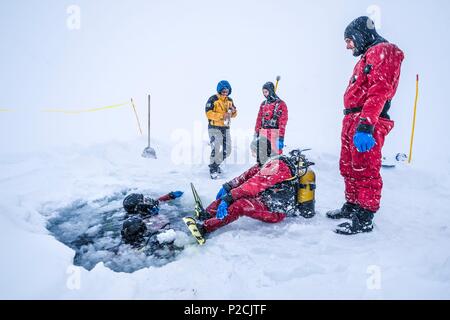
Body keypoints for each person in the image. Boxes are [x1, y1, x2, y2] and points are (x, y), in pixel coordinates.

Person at [327, 16, 404, 235]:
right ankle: (352, 205)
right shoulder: (367, 56)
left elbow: (380, 90)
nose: (347, 46)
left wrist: (366, 124)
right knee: (349, 165)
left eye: (349, 40)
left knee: (365, 168)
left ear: (361, 35)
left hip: (366, 120)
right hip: (352, 118)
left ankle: (364, 217)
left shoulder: (384, 51)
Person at [190, 136, 315, 238]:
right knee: (229, 196)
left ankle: (205, 227)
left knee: (240, 204)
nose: (253, 155)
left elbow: (253, 185)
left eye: (254, 152)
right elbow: (244, 178)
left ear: (261, 151)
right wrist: (228, 187)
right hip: (265, 199)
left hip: (275, 210)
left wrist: (230, 197)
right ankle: (206, 214)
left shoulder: (276, 166)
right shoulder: (264, 163)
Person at [205, 80, 237, 179]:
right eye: (223, 91)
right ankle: (213, 170)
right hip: (214, 128)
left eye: (227, 91)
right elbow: (208, 113)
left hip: (225, 128)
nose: (225, 92)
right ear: (219, 90)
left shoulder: (230, 100)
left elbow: (235, 114)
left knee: (228, 150)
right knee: (216, 148)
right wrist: (222, 116)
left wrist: (233, 111)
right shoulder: (213, 99)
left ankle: (215, 165)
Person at [254, 81, 288, 155]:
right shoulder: (263, 104)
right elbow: (259, 119)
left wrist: (281, 137)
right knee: (262, 158)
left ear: (271, 91)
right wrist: (256, 132)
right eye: (263, 92)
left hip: (275, 134)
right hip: (263, 134)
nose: (264, 94)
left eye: (266, 92)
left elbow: (282, 122)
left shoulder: (280, 104)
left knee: (274, 158)